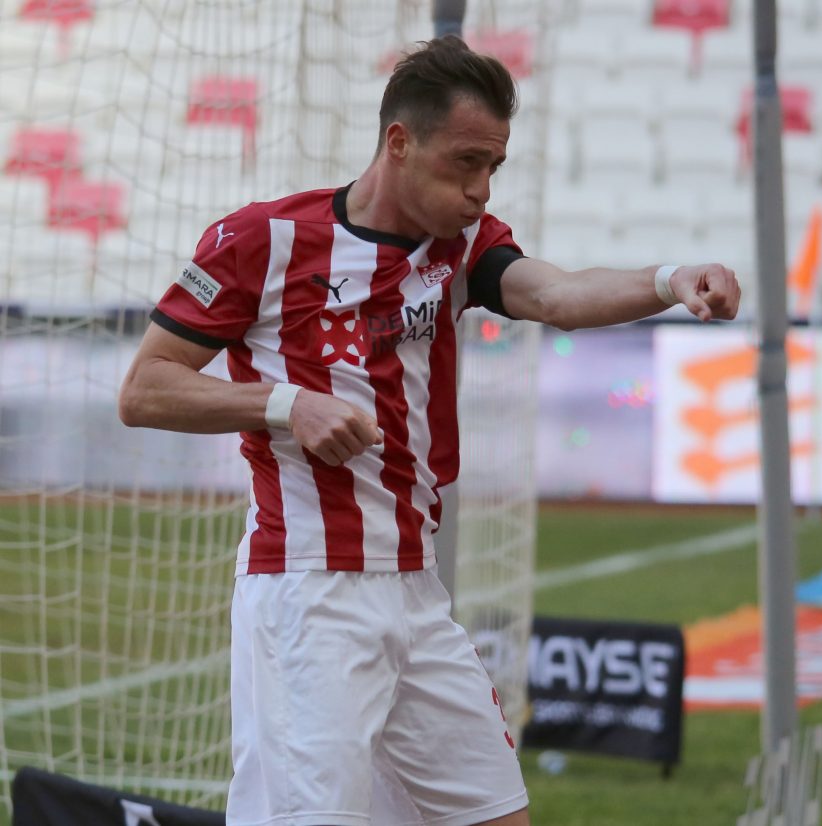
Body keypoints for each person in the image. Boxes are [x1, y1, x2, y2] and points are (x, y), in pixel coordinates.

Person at [118, 35, 740, 826]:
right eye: (466, 162)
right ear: (399, 143)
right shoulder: (263, 242)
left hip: (416, 591)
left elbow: (557, 295)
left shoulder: (461, 247)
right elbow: (145, 388)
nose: (481, 188)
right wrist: (286, 404)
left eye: (494, 166)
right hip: (311, 592)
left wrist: (670, 281)